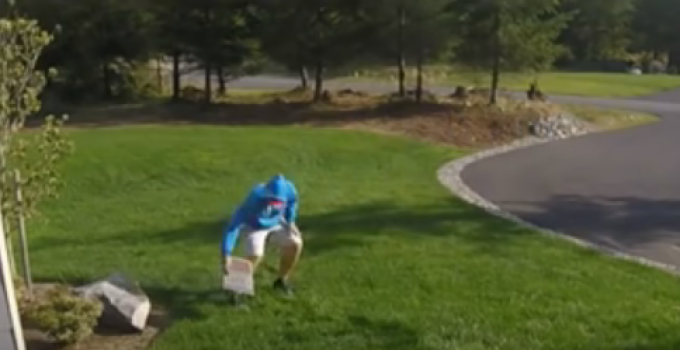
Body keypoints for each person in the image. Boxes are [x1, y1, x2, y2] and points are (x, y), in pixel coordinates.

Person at [221, 174, 303, 297]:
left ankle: (281, 280)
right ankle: (234, 289)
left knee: (295, 243)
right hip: (254, 227)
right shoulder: (254, 197)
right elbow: (233, 226)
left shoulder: (289, 188)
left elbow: (292, 201)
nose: (274, 203)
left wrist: (290, 221)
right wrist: (226, 253)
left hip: (276, 223)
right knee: (255, 255)